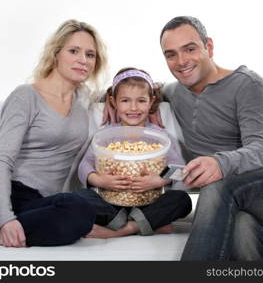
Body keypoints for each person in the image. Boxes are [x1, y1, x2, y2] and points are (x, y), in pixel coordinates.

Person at [0, 19, 108, 260]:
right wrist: (5, 219)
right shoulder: (26, 96)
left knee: (81, 212)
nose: (82, 60)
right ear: (56, 54)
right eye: (73, 51)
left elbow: (130, 89)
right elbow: (0, 161)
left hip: (35, 203)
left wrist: (140, 96)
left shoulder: (85, 101)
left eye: (90, 55)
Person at [157, 16, 263, 260]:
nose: (181, 61)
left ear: (208, 47)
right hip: (241, 208)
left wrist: (219, 163)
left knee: (219, 185)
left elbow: (261, 149)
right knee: (242, 236)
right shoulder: (175, 91)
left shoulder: (248, 85)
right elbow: (141, 87)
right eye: (171, 54)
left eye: (189, 49)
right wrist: (115, 96)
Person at [74, 67, 192, 238]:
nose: (133, 108)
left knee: (182, 200)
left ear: (151, 102)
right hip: (112, 203)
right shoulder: (105, 136)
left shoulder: (161, 136)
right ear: (113, 102)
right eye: (125, 100)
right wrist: (100, 180)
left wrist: (158, 180)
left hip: (149, 201)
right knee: (78, 197)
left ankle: (124, 229)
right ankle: (147, 224)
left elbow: (180, 170)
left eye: (141, 101)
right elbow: (84, 165)